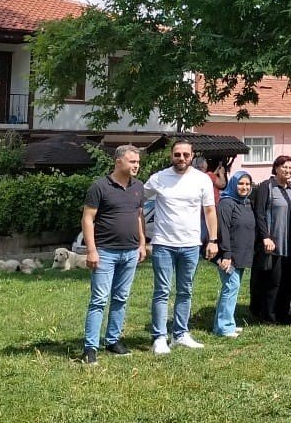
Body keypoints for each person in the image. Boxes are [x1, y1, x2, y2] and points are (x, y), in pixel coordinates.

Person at [144, 141, 218, 354]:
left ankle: (180, 334)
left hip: (191, 245)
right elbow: (137, 200)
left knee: (185, 290)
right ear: (171, 155)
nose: (181, 158)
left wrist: (212, 240)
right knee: (162, 291)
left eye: (186, 154)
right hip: (163, 244)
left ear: (192, 156)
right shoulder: (158, 178)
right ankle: (159, 337)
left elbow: (210, 211)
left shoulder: (202, 179)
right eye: (177, 154)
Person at [80, 144, 147, 364]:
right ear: (118, 161)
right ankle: (90, 347)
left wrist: (142, 243)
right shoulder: (100, 187)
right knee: (99, 300)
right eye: (132, 161)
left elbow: (139, 217)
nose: (136, 165)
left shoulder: (138, 187)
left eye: (137, 162)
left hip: (130, 252)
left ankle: (113, 339)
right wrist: (91, 250)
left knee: (121, 298)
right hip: (105, 253)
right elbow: (88, 219)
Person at [249, 155, 291, 324]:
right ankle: (268, 316)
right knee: (272, 282)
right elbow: (260, 214)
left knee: (286, 281)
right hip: (272, 244)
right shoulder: (267, 187)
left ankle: (284, 314)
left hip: (289, 244)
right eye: (284, 167)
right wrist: (265, 237)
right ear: (276, 168)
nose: (288, 170)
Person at [212, 171, 255, 337]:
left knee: (232, 288)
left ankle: (224, 323)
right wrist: (226, 255)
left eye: (247, 184)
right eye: (240, 183)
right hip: (229, 255)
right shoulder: (226, 203)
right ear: (233, 184)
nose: (244, 187)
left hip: (242, 253)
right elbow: (223, 229)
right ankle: (224, 327)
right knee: (231, 287)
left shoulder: (245, 203)